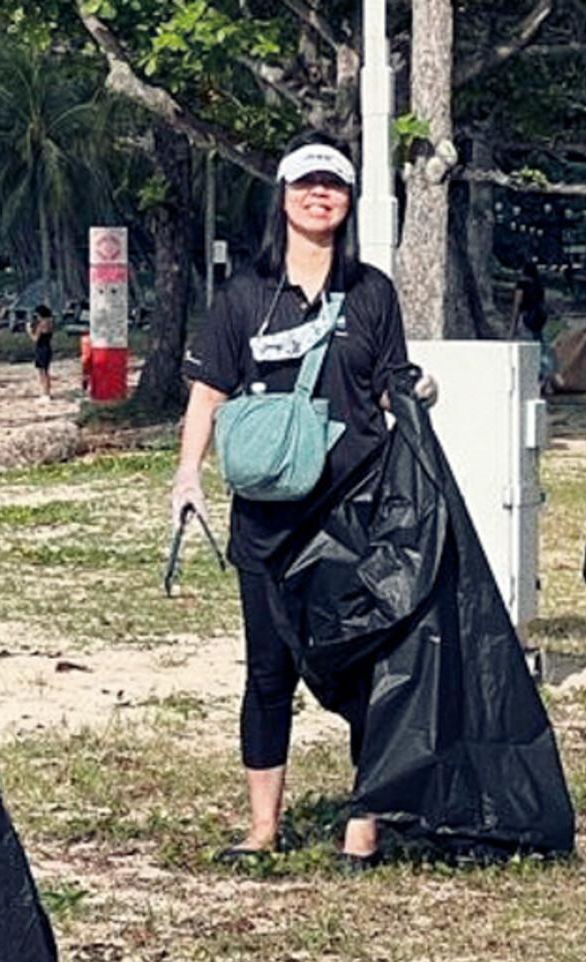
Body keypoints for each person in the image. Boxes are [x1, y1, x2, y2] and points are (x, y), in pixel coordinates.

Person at [173, 132, 433, 872]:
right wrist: (187, 475)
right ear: (282, 198)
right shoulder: (244, 296)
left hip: (354, 510)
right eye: (305, 185)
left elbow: (388, 382)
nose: (319, 196)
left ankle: (364, 826)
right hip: (267, 515)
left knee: (363, 668)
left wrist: (417, 403)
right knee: (266, 672)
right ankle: (262, 826)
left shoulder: (373, 292)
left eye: (334, 186)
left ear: (347, 203)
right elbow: (209, 388)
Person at [509, 261, 548, 342]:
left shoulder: (521, 285)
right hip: (538, 318)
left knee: (525, 342)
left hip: (525, 318)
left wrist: (512, 329)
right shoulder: (539, 286)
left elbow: (517, 305)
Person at [28, 302, 55, 400]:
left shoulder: (41, 324)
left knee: (42, 372)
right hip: (48, 347)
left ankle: (45, 393)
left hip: (41, 348)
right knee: (46, 371)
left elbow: (35, 338)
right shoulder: (50, 322)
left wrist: (29, 331)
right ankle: (47, 392)